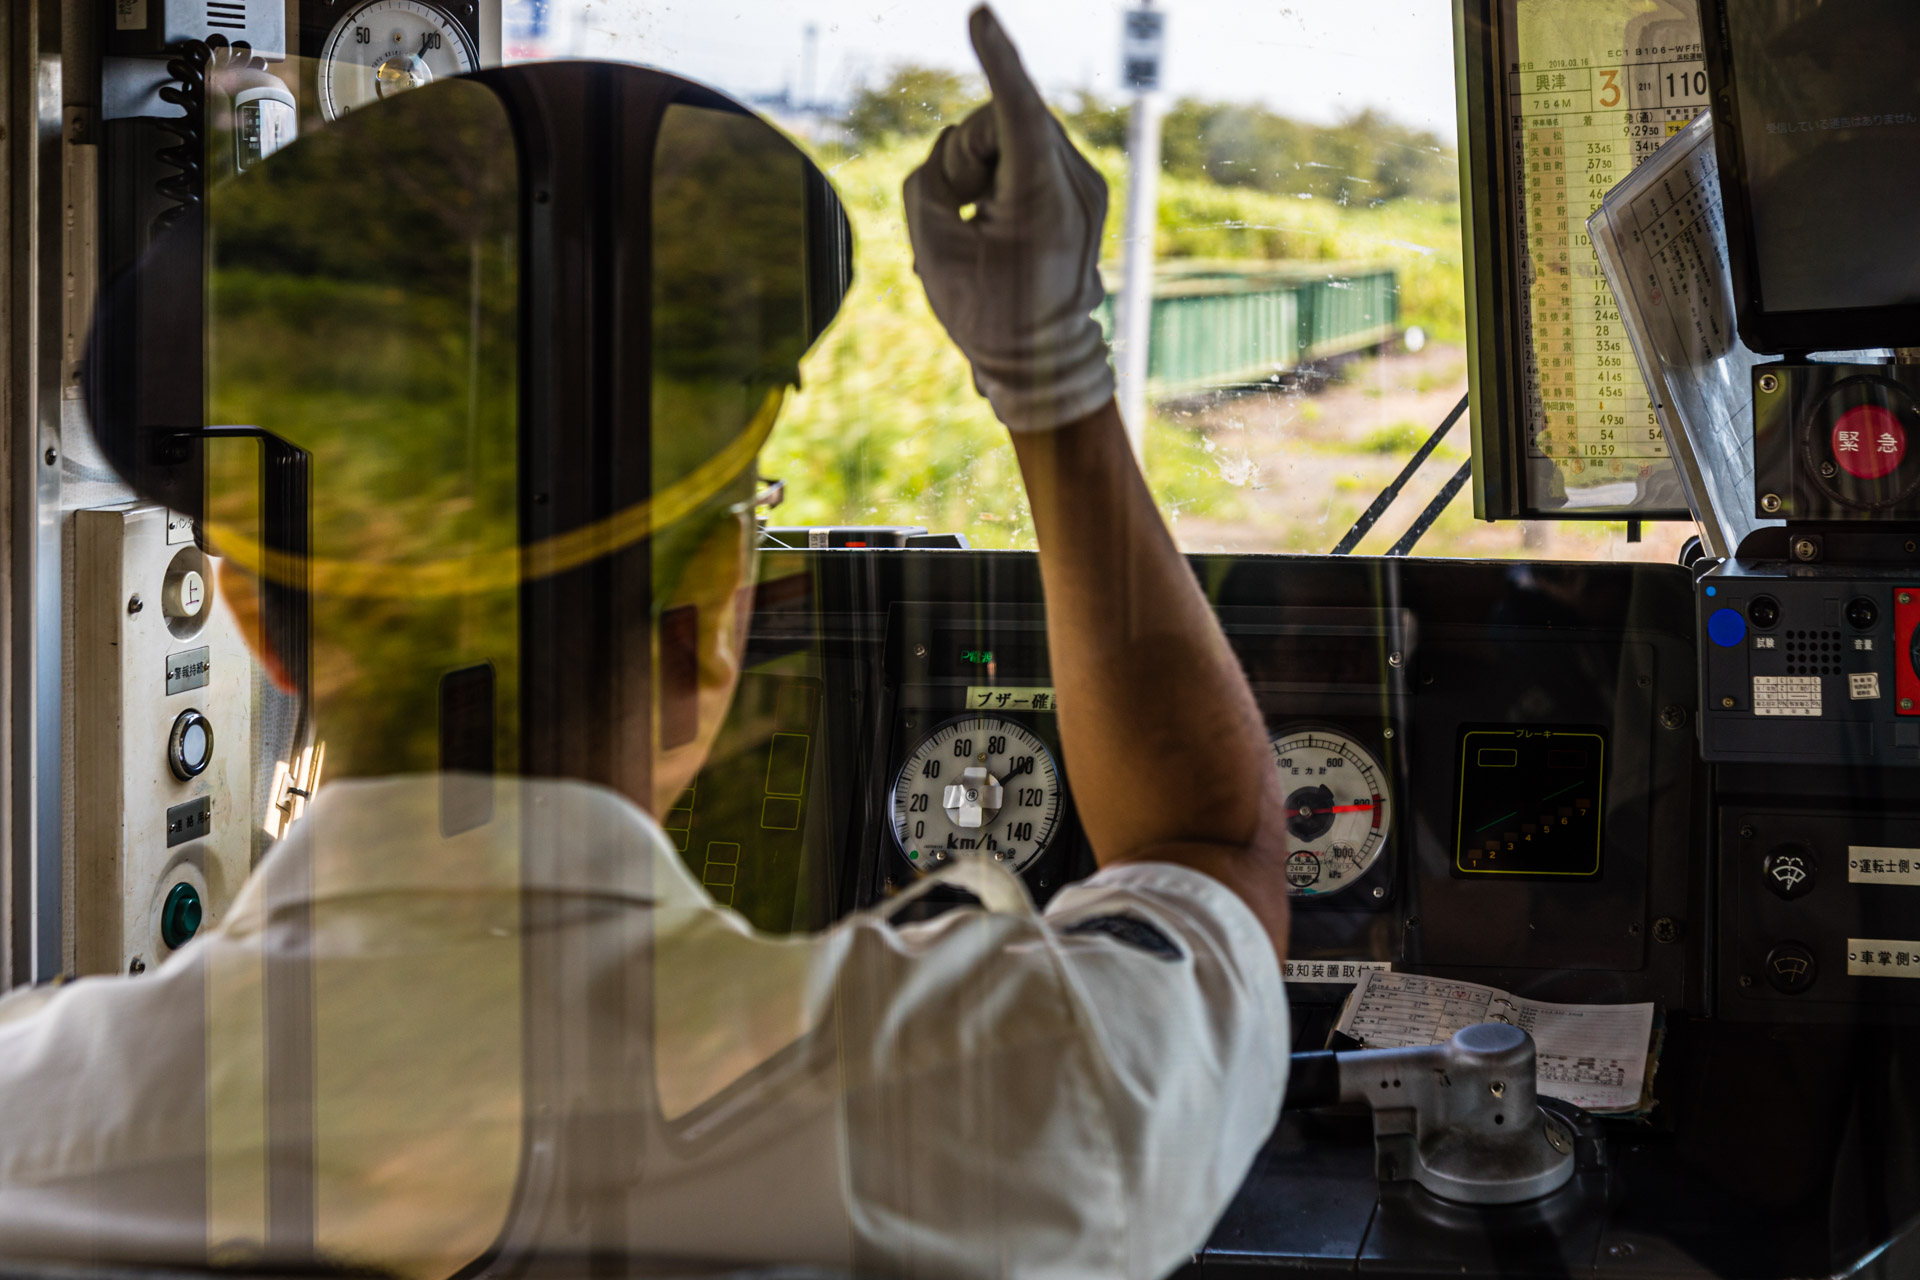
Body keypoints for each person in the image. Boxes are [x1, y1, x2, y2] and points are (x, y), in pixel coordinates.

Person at [0, 8, 1290, 1278]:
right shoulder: (987, 1093)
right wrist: (1051, 371)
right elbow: (1213, 851)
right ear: (716, 617)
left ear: (261, 627)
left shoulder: (33, 1121)